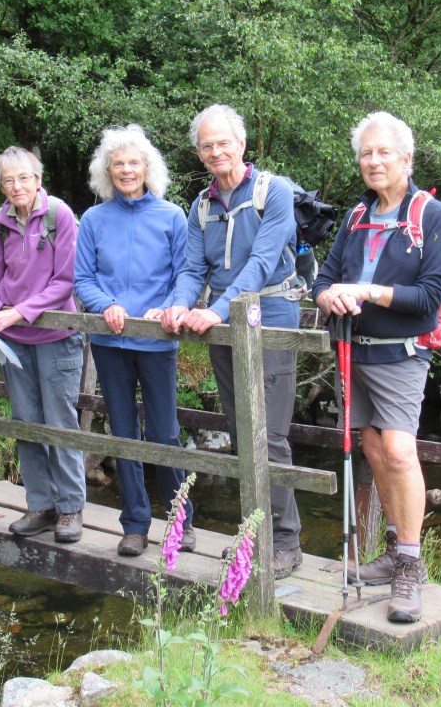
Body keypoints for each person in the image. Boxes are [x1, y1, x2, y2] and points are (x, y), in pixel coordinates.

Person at [311, 111, 441, 623]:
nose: (373, 161)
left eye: (383, 152)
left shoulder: (432, 215)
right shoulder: (356, 216)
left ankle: (410, 567)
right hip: (354, 349)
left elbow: (430, 297)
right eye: (366, 153)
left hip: (402, 352)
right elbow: (323, 279)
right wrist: (328, 297)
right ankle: (394, 550)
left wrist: (367, 291)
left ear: (406, 158)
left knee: (397, 450)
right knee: (372, 448)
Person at [159, 104, 306, 580]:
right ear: (199, 153)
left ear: (242, 144)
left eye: (223, 142)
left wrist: (215, 310)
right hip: (222, 327)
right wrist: (180, 304)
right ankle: (255, 535)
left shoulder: (274, 192)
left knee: (270, 435)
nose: (215, 151)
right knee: (243, 431)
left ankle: (285, 542)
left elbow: (262, 262)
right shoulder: (201, 206)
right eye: (207, 145)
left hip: (271, 318)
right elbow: (192, 269)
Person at [74, 124, 196, 557]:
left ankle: (180, 521)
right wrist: (105, 304)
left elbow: (186, 275)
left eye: (134, 163)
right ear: (107, 171)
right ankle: (135, 524)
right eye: (118, 163)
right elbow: (83, 280)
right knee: (124, 433)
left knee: (165, 433)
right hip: (110, 344)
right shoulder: (93, 219)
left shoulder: (172, 216)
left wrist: (171, 307)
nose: (126, 170)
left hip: (158, 342)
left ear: (147, 168)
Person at [0, 146, 86, 544]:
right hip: (14, 343)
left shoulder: (59, 215)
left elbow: (65, 282)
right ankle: (41, 506)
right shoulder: (0, 222)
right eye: (8, 180)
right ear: (1, 185)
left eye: (23, 178)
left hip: (56, 339)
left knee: (60, 424)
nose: (16, 186)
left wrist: (17, 312)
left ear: (38, 179)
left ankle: (70, 509)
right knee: (26, 424)